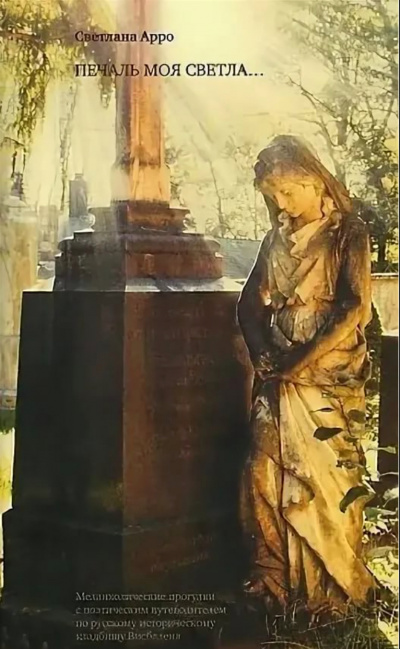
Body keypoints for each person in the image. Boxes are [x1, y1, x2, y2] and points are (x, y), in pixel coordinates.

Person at [237, 135, 376, 618]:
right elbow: (249, 304)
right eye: (273, 195)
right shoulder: (275, 240)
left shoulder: (348, 234)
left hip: (328, 372)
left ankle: (330, 591)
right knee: (261, 470)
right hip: (280, 373)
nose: (281, 204)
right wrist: (263, 352)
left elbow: (353, 308)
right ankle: (274, 579)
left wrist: (301, 361)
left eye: (288, 192)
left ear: (315, 183)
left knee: (327, 479)